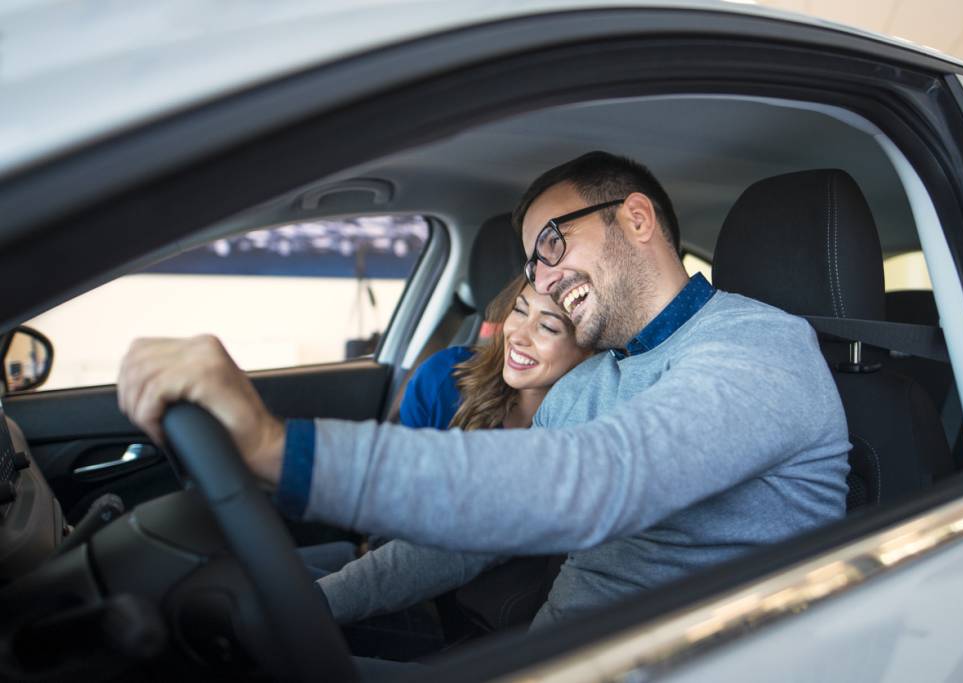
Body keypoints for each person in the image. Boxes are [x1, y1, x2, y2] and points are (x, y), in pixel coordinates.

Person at [117, 151, 850, 633]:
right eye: (532, 265)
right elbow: (475, 537)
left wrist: (277, 447)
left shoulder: (762, 350)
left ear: (635, 218)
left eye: (553, 244)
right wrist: (317, 607)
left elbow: (593, 481)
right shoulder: (593, 378)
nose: (542, 279)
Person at [304, 273, 590, 627]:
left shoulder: (581, 437)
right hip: (396, 560)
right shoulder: (445, 377)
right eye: (519, 311)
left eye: (547, 327)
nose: (518, 334)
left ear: (588, 347)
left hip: (471, 614)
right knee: (259, 576)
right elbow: (394, 496)